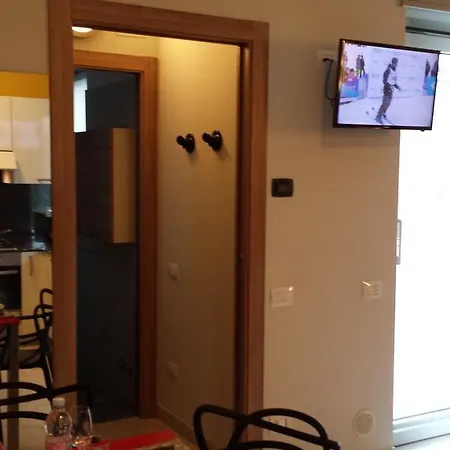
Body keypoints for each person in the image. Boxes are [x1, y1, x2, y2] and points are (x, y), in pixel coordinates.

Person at [376, 57, 401, 124]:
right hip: (387, 89)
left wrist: (397, 87)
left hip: (391, 90)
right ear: (392, 63)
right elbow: (384, 80)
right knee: (385, 103)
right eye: (395, 63)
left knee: (388, 103)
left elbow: (393, 82)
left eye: (396, 63)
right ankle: (378, 117)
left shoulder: (394, 71)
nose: (396, 64)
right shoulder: (388, 70)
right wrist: (389, 86)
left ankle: (383, 113)